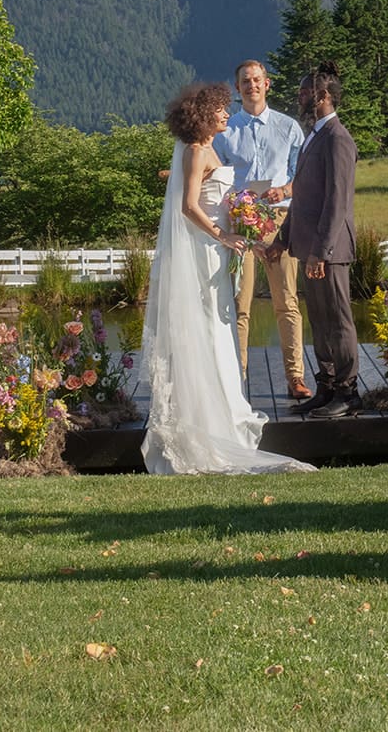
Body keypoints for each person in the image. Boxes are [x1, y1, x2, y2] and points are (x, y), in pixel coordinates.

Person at [140, 83, 316, 475]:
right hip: (204, 253)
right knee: (207, 327)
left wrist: (242, 223)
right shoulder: (197, 151)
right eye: (220, 110)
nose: (226, 114)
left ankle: (221, 406)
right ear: (203, 116)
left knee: (218, 327)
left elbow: (212, 200)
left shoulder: (206, 149)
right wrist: (224, 234)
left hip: (218, 251)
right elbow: (188, 206)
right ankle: (206, 418)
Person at [263, 63, 360, 419]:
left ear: (322, 96)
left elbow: (337, 202)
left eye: (305, 92)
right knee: (319, 321)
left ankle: (348, 394)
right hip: (310, 249)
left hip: (329, 252)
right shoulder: (314, 137)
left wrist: (321, 252)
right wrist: (282, 240)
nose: (299, 96)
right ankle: (327, 387)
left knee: (338, 321)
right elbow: (303, 197)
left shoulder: (338, 139)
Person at [213, 59, 309, 399]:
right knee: (239, 305)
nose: (251, 85)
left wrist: (284, 190)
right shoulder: (226, 131)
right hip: (240, 225)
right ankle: (236, 381)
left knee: (287, 301)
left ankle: (296, 378)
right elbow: (215, 176)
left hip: (280, 223)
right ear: (238, 89)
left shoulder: (289, 127)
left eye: (257, 79)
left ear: (267, 84)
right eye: (245, 81)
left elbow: (305, 176)